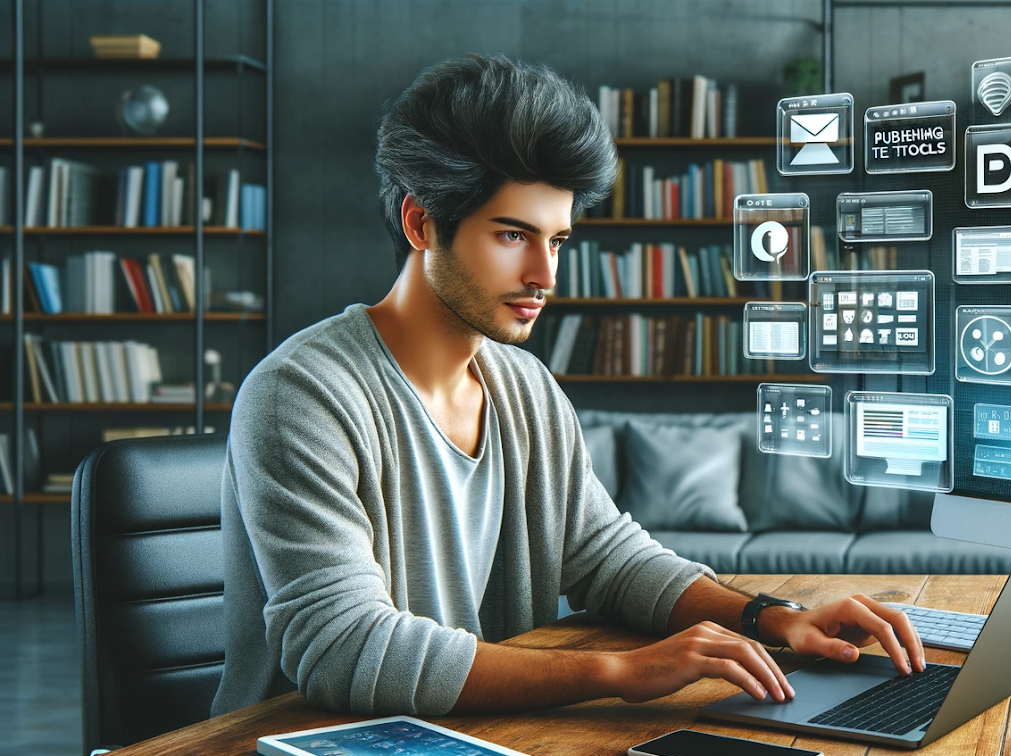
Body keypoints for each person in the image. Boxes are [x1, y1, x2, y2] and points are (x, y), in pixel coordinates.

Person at [211, 55, 923, 718]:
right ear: (421, 222)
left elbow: (608, 558)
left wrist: (773, 619)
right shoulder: (300, 396)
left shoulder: (525, 387)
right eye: (513, 236)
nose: (546, 278)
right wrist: (617, 674)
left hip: (484, 740)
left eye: (556, 241)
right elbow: (344, 648)